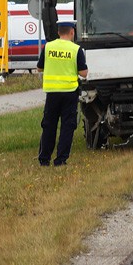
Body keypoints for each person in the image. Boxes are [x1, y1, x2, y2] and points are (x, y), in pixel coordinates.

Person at [37, 21, 88, 166]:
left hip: (52, 93)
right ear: (72, 32)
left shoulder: (48, 47)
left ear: (58, 32)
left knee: (49, 126)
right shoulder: (76, 49)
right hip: (69, 93)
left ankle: (44, 159)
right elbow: (83, 73)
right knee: (67, 126)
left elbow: (39, 68)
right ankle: (60, 159)